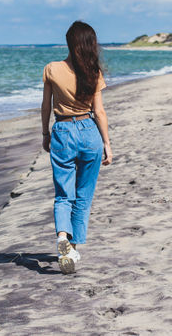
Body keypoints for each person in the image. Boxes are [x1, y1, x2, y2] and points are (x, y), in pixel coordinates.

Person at [41, 20, 113, 274]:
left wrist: (45, 133)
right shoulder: (93, 73)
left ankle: (63, 238)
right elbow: (100, 111)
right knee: (83, 195)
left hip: (62, 130)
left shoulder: (52, 69)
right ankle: (72, 246)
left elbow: (46, 107)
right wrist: (106, 143)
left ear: (69, 43)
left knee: (63, 193)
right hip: (88, 131)